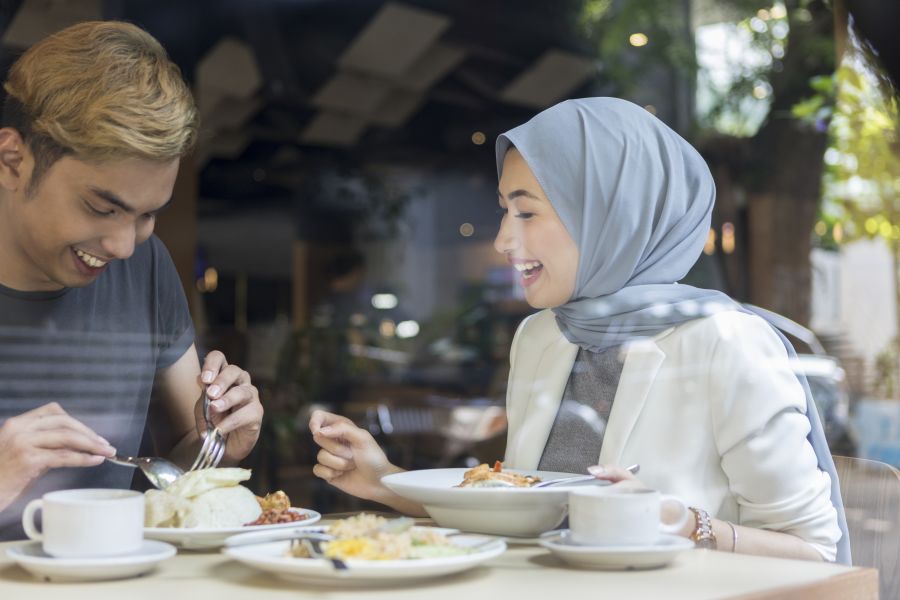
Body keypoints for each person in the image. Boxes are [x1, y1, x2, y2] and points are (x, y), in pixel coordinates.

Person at [310, 97, 849, 563]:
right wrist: (384, 481)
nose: (501, 240)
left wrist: (686, 524)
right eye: (504, 212)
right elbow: (525, 512)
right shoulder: (543, 337)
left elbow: (814, 551)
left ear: (612, 216)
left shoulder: (724, 341)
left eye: (526, 214)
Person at [0, 21, 263, 539]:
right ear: (13, 161)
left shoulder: (145, 264)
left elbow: (179, 460)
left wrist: (220, 442)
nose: (123, 246)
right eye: (102, 207)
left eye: (148, 215)